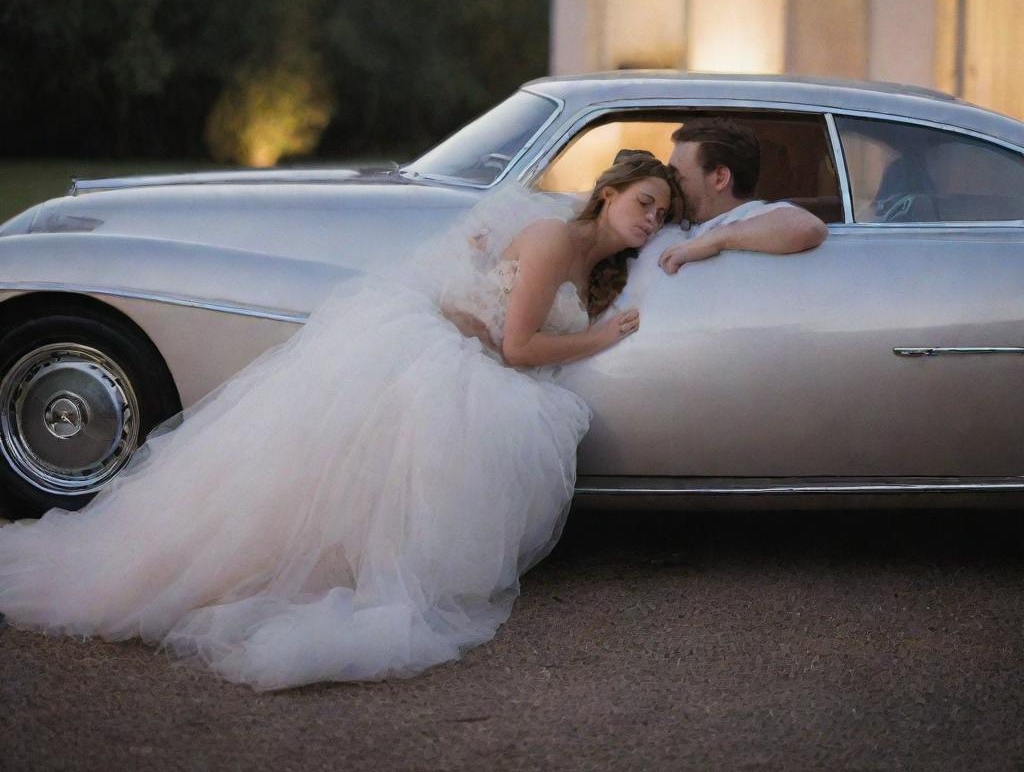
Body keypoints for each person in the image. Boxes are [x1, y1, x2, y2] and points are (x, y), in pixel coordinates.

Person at [0, 154, 682, 691]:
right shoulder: (554, 239)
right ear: (608, 192)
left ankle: (327, 566)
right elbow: (519, 348)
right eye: (644, 202)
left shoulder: (598, 269)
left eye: (663, 214)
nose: (651, 220)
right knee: (327, 475)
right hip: (437, 354)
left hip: (475, 366)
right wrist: (600, 338)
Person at [657, 117, 827, 274]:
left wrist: (716, 240)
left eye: (677, 176)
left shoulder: (752, 217)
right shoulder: (681, 218)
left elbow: (809, 227)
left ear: (720, 178)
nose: (670, 183)